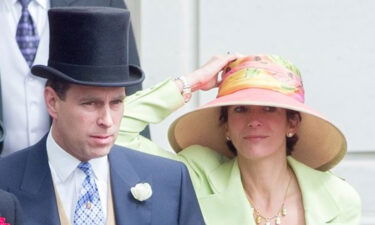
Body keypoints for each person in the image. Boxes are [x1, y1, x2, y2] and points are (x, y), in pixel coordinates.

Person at [0, 7, 204, 225]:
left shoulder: (170, 180)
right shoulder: (4, 180)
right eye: (90, 103)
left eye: (116, 102)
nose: (107, 120)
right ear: (52, 102)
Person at [117, 54, 362, 225]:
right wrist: (192, 81)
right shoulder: (198, 176)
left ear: (292, 123)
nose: (254, 120)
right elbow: (115, 132)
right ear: (226, 126)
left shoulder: (336, 196)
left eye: (268, 109)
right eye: (240, 109)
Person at [0, 0, 146, 156]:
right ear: (51, 101)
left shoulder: (105, 3)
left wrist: (135, 174)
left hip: (80, 167)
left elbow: (127, 90)